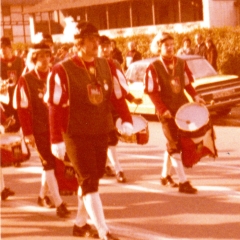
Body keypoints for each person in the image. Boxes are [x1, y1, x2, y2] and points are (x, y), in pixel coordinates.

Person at [46, 22, 133, 239]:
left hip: (100, 130)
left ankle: (80, 224)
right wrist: (56, 138)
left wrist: (126, 119)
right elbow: (54, 107)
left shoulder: (108, 65)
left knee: (93, 179)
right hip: (75, 134)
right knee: (88, 180)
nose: (96, 43)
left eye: (97, 39)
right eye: (91, 40)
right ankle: (103, 231)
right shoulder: (61, 70)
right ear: (79, 43)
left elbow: (117, 96)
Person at [145, 32, 205, 194]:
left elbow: (187, 85)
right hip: (166, 112)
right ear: (159, 47)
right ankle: (183, 182)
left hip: (182, 110)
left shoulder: (180, 63)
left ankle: (165, 176)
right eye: (166, 45)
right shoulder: (153, 67)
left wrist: (196, 96)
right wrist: (162, 109)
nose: (170, 48)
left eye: (172, 45)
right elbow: (152, 93)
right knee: (174, 144)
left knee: (175, 143)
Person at [15, 43, 70, 217]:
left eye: (47, 56)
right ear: (34, 59)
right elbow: (22, 108)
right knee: (48, 164)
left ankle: (41, 196)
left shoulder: (55, 75)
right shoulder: (26, 79)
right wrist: (28, 132)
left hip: (56, 127)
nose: (45, 60)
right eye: (41, 57)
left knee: (52, 164)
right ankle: (59, 203)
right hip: (38, 129)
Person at [98, 35, 142, 183]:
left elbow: (120, 87)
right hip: (99, 108)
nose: (105, 49)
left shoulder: (115, 63)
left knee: (111, 139)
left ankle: (112, 168)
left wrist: (131, 98)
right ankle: (117, 169)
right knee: (107, 139)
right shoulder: (93, 65)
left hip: (113, 107)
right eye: (102, 46)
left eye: (107, 46)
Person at [0, 37, 24, 134]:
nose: (2, 50)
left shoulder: (19, 61)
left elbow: (23, 78)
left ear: (10, 48)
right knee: (7, 125)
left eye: (5, 47)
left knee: (18, 124)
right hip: (3, 99)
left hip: (17, 96)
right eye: (1, 47)